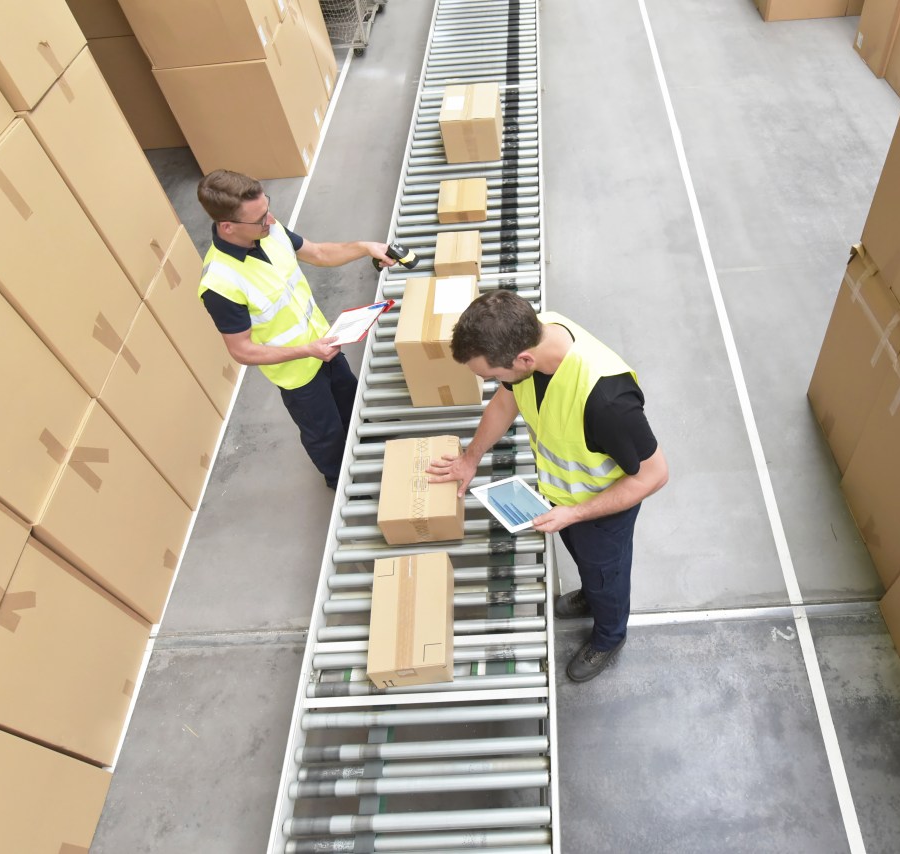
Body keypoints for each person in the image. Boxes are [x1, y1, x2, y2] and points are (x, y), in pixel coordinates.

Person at [428, 291, 669, 682]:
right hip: (562, 500)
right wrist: (470, 457)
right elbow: (506, 402)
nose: (494, 383)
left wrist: (576, 513)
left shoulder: (606, 399)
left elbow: (653, 474)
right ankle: (591, 593)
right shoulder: (529, 336)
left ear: (523, 360)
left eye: (493, 375)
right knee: (585, 562)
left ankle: (609, 636)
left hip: (601, 510)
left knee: (606, 573)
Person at [195, 169, 395, 490]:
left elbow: (318, 253)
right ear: (227, 226)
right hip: (298, 374)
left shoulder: (269, 231)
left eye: (267, 208)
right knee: (326, 435)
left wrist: (365, 247)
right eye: (260, 218)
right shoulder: (220, 282)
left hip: (327, 345)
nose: (271, 220)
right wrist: (307, 350)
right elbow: (242, 350)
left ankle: (369, 445)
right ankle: (344, 484)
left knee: (350, 402)